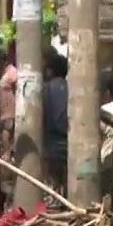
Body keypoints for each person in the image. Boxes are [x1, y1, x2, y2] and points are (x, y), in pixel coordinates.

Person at [42, 50, 69, 195]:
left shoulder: (45, 89)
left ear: (50, 71)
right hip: (69, 145)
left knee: (53, 188)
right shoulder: (73, 88)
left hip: (51, 146)